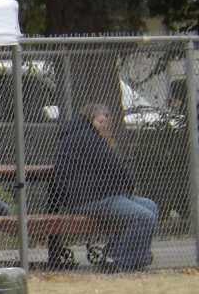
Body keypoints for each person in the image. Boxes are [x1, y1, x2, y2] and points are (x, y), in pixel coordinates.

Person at [51, 103, 158, 271]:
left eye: (107, 121)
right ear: (90, 119)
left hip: (101, 195)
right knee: (143, 217)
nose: (105, 125)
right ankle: (120, 262)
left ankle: (132, 256)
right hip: (87, 200)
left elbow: (112, 170)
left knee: (151, 206)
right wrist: (128, 186)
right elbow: (114, 168)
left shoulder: (90, 135)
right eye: (101, 121)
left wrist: (124, 189)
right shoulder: (86, 137)